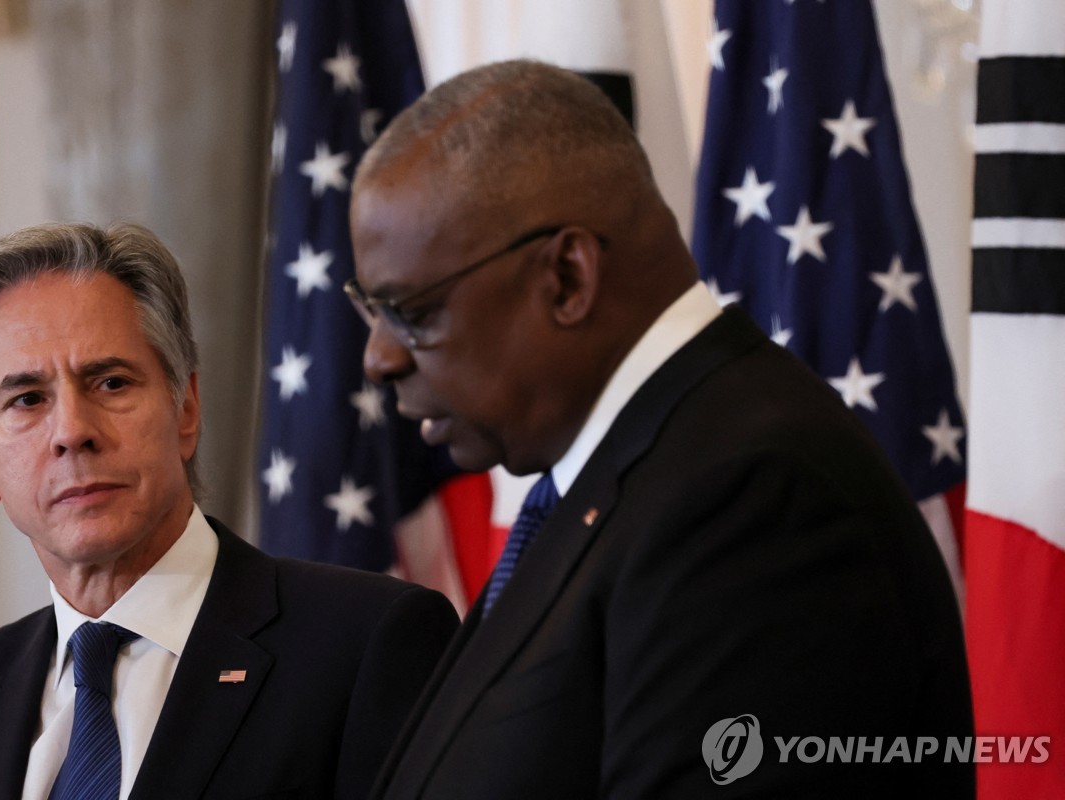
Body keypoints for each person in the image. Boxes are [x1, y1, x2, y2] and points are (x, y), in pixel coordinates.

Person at [347, 60, 973, 798]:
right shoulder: (613, 481)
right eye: (372, 310)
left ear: (567, 279)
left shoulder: (759, 500)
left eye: (412, 313)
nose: (379, 358)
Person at [0, 222, 459, 799]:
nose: (72, 431)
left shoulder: (368, 644)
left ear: (186, 410)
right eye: (26, 399)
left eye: (111, 383)